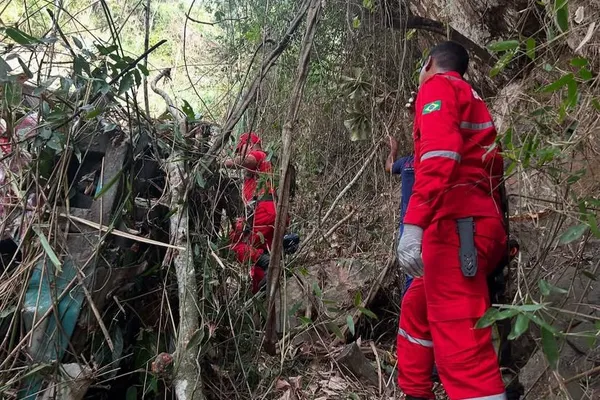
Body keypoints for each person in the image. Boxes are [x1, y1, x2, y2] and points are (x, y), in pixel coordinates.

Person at [396, 41, 508, 400]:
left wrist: (413, 225)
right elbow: (492, 171)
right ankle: (415, 392)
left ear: (429, 63)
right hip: (478, 223)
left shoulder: (438, 86)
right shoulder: (472, 98)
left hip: (457, 226)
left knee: (462, 349)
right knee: (417, 308)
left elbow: (441, 155)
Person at [224, 132, 276, 294]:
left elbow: (248, 160)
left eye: (241, 149)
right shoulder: (252, 176)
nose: (239, 153)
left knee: (230, 243)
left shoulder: (260, 156)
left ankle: (267, 263)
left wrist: (221, 163)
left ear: (251, 144)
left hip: (263, 213)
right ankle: (261, 290)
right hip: (263, 217)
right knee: (257, 268)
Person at [384, 135, 415, 295]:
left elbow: (389, 166)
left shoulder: (407, 162)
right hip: (418, 221)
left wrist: (393, 150)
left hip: (410, 222)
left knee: (412, 270)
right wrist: (393, 149)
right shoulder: (408, 162)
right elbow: (389, 167)